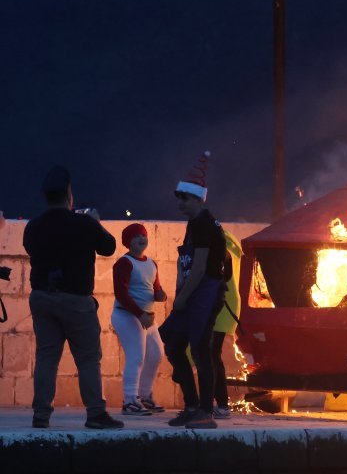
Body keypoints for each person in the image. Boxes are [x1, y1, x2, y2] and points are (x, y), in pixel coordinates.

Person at [23, 165, 124, 429]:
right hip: (76, 300)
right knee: (88, 357)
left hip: (42, 296)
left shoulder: (33, 226)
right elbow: (109, 247)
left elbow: (32, 249)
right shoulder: (84, 224)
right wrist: (94, 222)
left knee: (47, 357)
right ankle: (95, 414)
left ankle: (41, 415)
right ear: (69, 194)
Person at [159, 152, 226, 429]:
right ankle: (191, 405)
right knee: (175, 347)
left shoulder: (205, 225)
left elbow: (199, 268)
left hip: (205, 295)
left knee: (201, 351)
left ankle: (205, 411)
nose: (180, 204)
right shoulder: (194, 224)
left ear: (198, 199)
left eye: (184, 199)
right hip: (193, 294)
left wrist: (181, 299)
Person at [111, 223, 167, 416]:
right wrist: (139, 314)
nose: (141, 239)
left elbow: (155, 287)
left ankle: (144, 396)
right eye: (136, 237)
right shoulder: (124, 263)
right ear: (128, 242)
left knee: (156, 353)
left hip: (147, 318)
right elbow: (121, 293)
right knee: (136, 356)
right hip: (127, 315)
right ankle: (130, 401)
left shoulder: (151, 263)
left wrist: (160, 295)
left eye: (143, 235)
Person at [209, 230, 243, 419]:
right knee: (212, 354)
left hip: (223, 306)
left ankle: (221, 404)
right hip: (224, 305)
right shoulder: (228, 251)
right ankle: (217, 403)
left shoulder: (222, 253)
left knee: (212, 354)